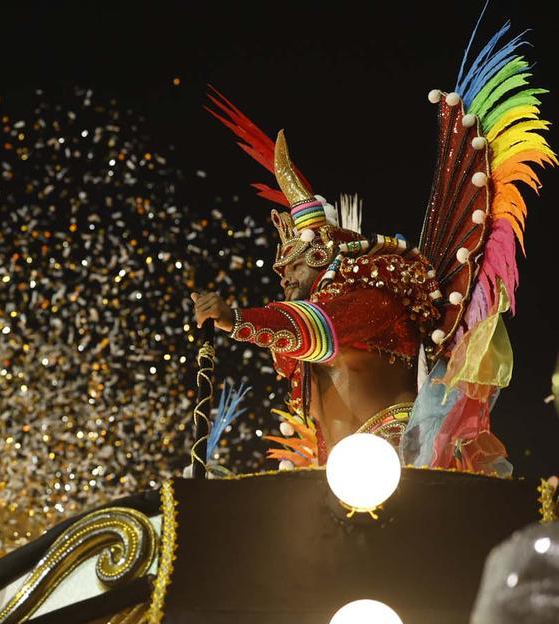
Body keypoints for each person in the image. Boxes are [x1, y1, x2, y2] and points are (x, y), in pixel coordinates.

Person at [192, 42, 555, 473]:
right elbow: (293, 339)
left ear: (326, 255)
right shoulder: (305, 336)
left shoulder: (372, 305)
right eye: (281, 268)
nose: (284, 275)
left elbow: (311, 328)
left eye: (295, 263)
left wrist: (235, 319)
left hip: (398, 461)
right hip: (339, 474)